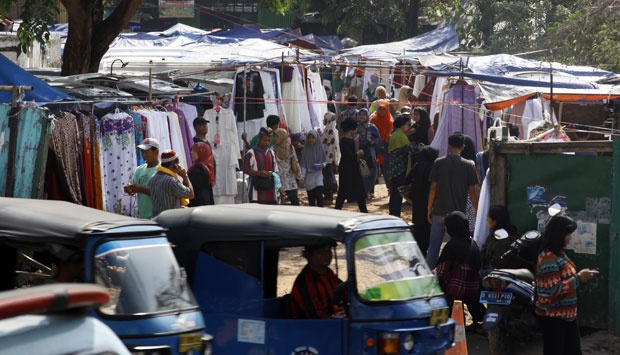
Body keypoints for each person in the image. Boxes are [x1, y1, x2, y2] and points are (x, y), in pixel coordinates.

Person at [535, 214, 599, 355]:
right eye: (568, 234)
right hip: (554, 317)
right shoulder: (548, 258)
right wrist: (579, 278)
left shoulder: (559, 254)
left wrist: (581, 276)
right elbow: (554, 289)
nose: (570, 238)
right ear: (559, 234)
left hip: (567, 316)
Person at [425, 132, 479, 269]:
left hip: (439, 210)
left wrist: (429, 208)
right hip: (457, 215)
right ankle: (452, 273)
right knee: (455, 247)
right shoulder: (469, 166)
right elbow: (472, 192)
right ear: (463, 147)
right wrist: (477, 210)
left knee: (433, 247)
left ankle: (429, 275)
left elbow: (432, 189)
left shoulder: (438, 163)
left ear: (448, 146)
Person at [434, 211, 486, 330]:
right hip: (474, 288)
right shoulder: (473, 243)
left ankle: (442, 321)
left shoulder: (451, 246)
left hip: (456, 289)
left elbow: (441, 272)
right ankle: (478, 318)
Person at [290, 242, 346, 319]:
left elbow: (344, 292)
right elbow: (315, 315)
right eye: (321, 252)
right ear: (308, 256)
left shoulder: (329, 273)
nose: (327, 255)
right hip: (312, 327)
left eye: (329, 251)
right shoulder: (304, 283)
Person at [406, 145, 438, 256]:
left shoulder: (417, 165)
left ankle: (418, 251)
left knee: (418, 225)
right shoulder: (433, 167)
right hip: (430, 200)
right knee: (428, 226)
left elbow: (407, 180)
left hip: (417, 201)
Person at [479, 205, 524, 276]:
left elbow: (497, 264)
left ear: (494, 222)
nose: (486, 220)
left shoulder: (506, 239)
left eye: (488, 218)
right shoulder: (493, 236)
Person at [335, 118, 368, 213]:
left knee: (343, 193)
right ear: (351, 129)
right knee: (347, 192)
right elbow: (348, 156)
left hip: (350, 168)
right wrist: (358, 153)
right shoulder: (345, 141)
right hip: (349, 170)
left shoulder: (347, 140)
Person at [149, 149, 194, 217]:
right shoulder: (171, 181)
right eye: (178, 163)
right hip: (171, 220)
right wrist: (185, 176)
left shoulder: (153, 178)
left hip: (157, 219)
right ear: (174, 164)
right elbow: (191, 195)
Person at [123, 138, 159, 219]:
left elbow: (160, 193)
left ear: (156, 152)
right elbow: (133, 184)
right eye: (142, 152)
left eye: (146, 152)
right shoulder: (140, 169)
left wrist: (140, 189)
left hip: (157, 216)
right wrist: (129, 188)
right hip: (142, 216)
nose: (144, 155)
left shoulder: (161, 170)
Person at [387, 114, 414, 217]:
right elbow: (407, 149)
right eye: (408, 124)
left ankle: (393, 212)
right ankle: (395, 214)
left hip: (395, 167)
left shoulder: (396, 133)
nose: (409, 127)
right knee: (397, 193)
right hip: (399, 168)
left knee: (395, 191)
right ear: (403, 125)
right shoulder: (400, 135)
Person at [244, 127, 279, 204]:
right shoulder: (251, 153)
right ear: (259, 139)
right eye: (265, 140)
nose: (267, 143)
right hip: (256, 192)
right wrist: (259, 173)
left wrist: (279, 188)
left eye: (269, 141)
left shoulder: (272, 152)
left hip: (271, 192)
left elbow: (275, 171)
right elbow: (246, 170)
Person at [273, 128, 302, 205]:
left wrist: (299, 177)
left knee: (294, 203)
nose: (275, 138)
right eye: (275, 136)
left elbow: (295, 162)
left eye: (277, 136)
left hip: (290, 180)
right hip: (279, 181)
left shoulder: (290, 148)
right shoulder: (273, 149)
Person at [356, 108, 380, 199]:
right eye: (360, 114)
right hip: (360, 153)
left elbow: (378, 139)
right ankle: (365, 192)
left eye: (364, 115)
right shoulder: (355, 127)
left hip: (370, 152)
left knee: (372, 173)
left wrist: (374, 142)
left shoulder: (372, 127)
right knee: (363, 173)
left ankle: (369, 190)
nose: (362, 116)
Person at [301, 130, 328, 207]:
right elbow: (303, 165)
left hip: (318, 175)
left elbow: (325, 161)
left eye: (313, 137)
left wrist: (322, 165)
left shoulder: (320, 148)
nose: (311, 140)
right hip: (309, 177)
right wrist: (302, 177)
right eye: (309, 138)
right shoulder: (305, 150)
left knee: (319, 196)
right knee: (311, 199)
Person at [370, 100, 393, 186]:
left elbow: (390, 136)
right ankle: (371, 190)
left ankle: (389, 187)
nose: (381, 111)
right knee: (373, 168)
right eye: (380, 109)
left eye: (383, 109)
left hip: (385, 147)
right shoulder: (373, 121)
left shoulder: (390, 123)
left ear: (387, 110)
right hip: (374, 146)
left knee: (385, 169)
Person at [188, 142, 215, 206]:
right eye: (191, 151)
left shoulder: (198, 169)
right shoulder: (206, 166)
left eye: (195, 151)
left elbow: (194, 188)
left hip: (197, 203)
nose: (192, 153)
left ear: (202, 153)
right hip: (205, 202)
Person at [321, 112, 340, 205]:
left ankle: (329, 196)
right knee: (330, 176)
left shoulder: (330, 130)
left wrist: (330, 159)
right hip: (328, 157)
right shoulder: (330, 129)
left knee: (327, 178)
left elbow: (331, 146)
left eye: (325, 119)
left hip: (328, 158)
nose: (323, 120)